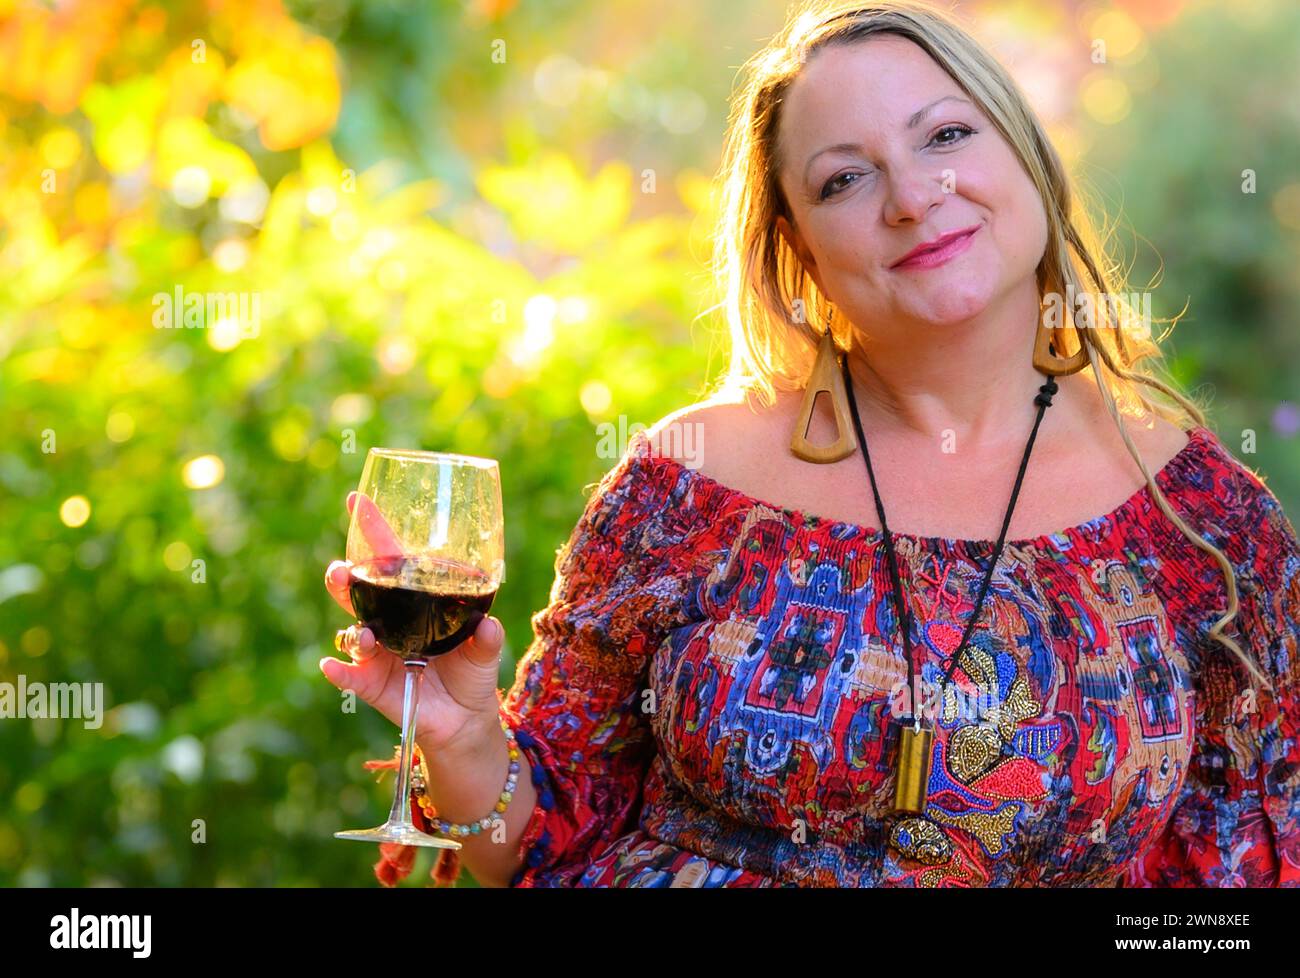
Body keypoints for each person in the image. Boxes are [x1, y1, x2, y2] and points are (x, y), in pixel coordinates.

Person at [320, 0, 1300, 886]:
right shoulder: (684, 485)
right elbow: (528, 843)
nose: (911, 199)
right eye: (843, 179)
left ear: (1027, 159)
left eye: (946, 135)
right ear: (799, 253)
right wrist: (458, 735)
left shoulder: (1202, 528)